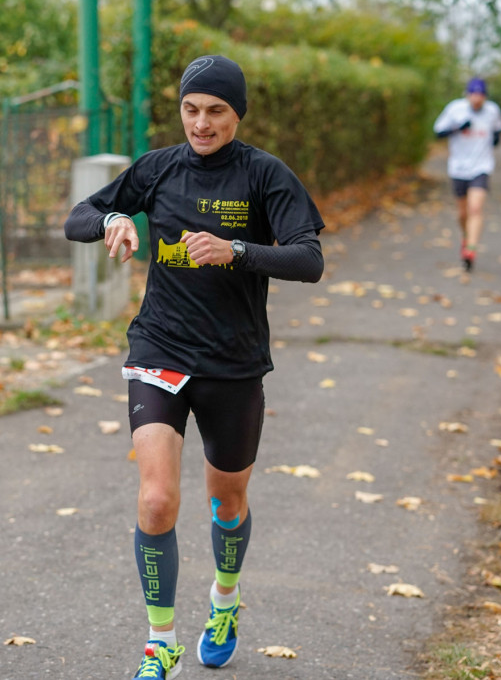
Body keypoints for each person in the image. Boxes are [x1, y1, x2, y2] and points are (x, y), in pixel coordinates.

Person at [64, 54, 325, 679]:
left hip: (233, 362)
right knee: (155, 501)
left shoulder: (266, 176)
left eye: (215, 112)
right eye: (191, 110)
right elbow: (78, 217)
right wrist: (114, 218)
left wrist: (235, 251)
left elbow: (309, 260)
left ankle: (225, 600)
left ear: (237, 114)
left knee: (227, 501)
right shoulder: (159, 167)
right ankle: (160, 643)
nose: (201, 124)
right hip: (160, 348)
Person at [433, 77, 501, 271]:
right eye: (473, 95)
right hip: (458, 167)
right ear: (467, 95)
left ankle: (471, 250)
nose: (477, 99)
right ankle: (466, 237)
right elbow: (437, 132)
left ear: (485, 97)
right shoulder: (455, 109)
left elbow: (498, 132)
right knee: (463, 212)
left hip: (481, 166)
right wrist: (458, 128)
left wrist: (493, 140)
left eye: (481, 95)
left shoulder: (492, 111)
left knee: (475, 208)